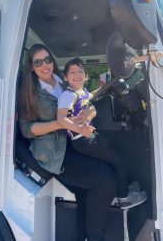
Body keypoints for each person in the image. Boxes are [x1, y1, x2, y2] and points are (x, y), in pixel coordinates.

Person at [19, 44, 117, 241]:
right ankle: (95, 237)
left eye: (47, 60)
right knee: (105, 181)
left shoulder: (64, 82)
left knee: (86, 193)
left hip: (76, 142)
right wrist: (59, 123)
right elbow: (27, 129)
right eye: (38, 62)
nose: (44, 65)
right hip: (55, 152)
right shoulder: (30, 92)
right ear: (31, 66)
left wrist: (90, 112)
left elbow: (86, 102)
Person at [57, 57, 147, 208]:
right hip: (84, 139)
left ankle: (122, 188)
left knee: (114, 158)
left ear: (86, 76)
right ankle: (124, 197)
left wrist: (107, 86)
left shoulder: (81, 92)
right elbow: (61, 119)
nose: (77, 74)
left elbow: (91, 96)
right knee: (118, 160)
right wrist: (81, 129)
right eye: (72, 72)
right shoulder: (69, 95)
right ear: (65, 77)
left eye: (80, 71)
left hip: (89, 137)